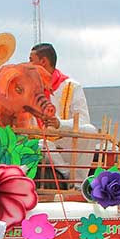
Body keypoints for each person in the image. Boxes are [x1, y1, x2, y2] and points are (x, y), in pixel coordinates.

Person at [28, 43, 97, 183]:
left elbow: (83, 121)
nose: (28, 65)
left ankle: (78, 179)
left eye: (31, 60)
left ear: (43, 62)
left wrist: (59, 124)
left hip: (67, 144)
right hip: (41, 146)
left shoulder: (71, 86)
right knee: (40, 144)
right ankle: (68, 176)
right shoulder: (28, 88)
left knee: (90, 131)